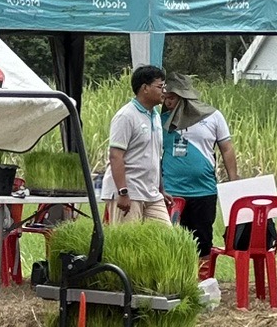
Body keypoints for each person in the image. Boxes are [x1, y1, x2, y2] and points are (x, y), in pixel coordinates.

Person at [158, 80, 239, 273]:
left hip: (203, 191)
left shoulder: (213, 117)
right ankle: (177, 278)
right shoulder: (160, 121)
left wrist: (233, 180)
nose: (168, 102)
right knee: (171, 240)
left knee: (202, 241)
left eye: (172, 98)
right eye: (166, 98)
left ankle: (202, 280)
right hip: (171, 193)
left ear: (185, 98)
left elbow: (227, 148)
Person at [102, 65, 168, 223]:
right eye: (160, 87)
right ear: (145, 88)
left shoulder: (155, 116)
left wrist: (162, 189)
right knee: (128, 237)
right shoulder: (126, 116)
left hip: (152, 194)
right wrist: (123, 192)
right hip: (130, 192)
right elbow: (115, 156)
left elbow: (155, 156)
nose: (164, 91)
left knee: (167, 235)